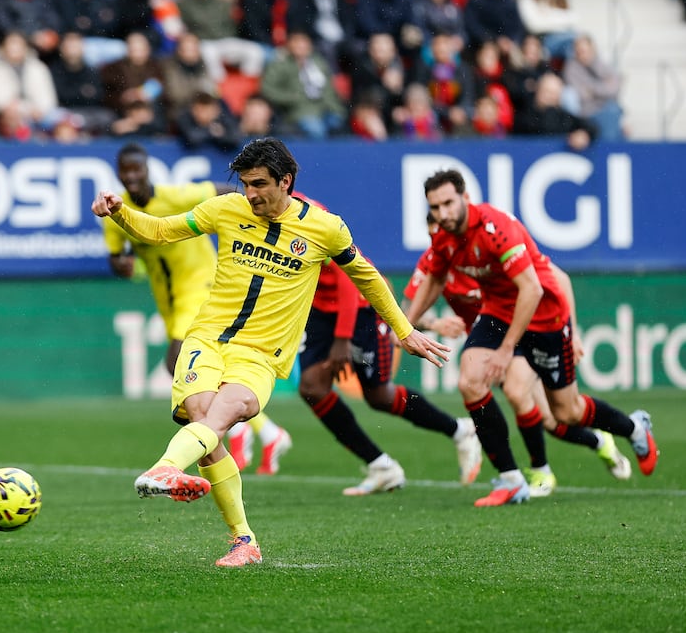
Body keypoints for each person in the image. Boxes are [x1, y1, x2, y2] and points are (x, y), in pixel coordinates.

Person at [90, 138, 451, 566]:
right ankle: (244, 541)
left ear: (286, 181)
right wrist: (120, 212)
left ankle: (165, 466)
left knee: (224, 414)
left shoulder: (326, 228)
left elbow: (367, 276)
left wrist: (405, 330)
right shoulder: (226, 210)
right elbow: (162, 230)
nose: (251, 194)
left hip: (260, 354)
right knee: (207, 432)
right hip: (205, 339)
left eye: (259, 184)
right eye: (245, 184)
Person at [405, 169, 658, 507]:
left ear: (465, 198)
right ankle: (511, 479)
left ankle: (633, 428)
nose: (443, 213)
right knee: (470, 381)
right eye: (435, 207)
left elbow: (533, 289)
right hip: (498, 311)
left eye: (448, 203)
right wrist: (406, 327)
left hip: (544, 315)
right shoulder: (443, 238)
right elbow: (434, 280)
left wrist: (507, 349)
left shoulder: (497, 229)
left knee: (566, 412)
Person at [102, 143, 291, 475]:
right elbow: (116, 257)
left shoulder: (175, 196)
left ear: (147, 170)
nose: (131, 177)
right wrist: (124, 265)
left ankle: (239, 429)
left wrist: (251, 212)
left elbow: (221, 191)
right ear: (118, 173)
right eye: (125, 171)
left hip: (201, 287)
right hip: (169, 298)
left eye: (137, 169)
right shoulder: (116, 210)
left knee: (177, 361)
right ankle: (267, 432)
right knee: (199, 369)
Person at [298, 254, 482, 496]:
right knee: (312, 387)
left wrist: (342, 339)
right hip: (320, 308)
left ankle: (460, 429)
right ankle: (380, 465)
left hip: (361, 305)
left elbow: (345, 278)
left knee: (379, 396)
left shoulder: (312, 219)